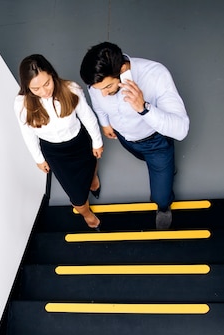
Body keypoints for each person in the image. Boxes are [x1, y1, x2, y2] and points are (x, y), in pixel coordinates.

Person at [80, 42, 189, 230]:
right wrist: (105, 123)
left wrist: (143, 108)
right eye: (98, 89)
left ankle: (163, 206)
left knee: (161, 196)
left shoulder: (156, 75)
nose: (103, 94)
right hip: (125, 138)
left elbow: (181, 129)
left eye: (108, 87)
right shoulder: (98, 84)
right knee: (141, 157)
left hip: (156, 143)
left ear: (123, 70)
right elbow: (97, 102)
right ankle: (164, 168)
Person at [14, 54, 104, 229]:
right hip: (54, 151)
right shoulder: (22, 104)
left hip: (79, 142)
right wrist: (38, 159)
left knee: (91, 164)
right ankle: (87, 215)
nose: (44, 91)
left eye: (47, 83)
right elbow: (27, 133)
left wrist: (97, 141)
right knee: (76, 195)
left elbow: (87, 116)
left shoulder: (70, 89)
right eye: (36, 88)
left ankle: (93, 179)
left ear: (52, 74)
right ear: (27, 87)